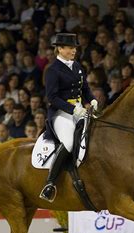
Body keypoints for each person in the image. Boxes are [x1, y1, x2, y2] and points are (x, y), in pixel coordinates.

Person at [40, 33, 98, 202]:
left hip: (80, 109)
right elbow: (52, 98)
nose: (74, 50)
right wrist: (73, 110)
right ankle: (50, 183)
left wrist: (92, 99)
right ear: (60, 49)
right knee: (69, 142)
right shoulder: (52, 70)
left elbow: (85, 88)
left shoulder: (78, 66)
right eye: (71, 48)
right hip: (61, 113)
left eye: (75, 48)